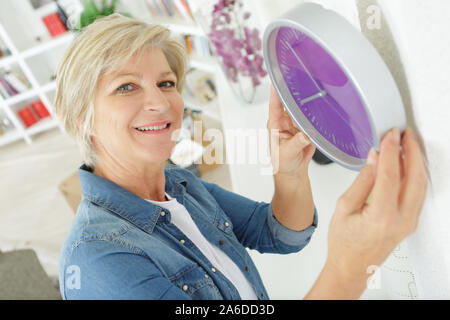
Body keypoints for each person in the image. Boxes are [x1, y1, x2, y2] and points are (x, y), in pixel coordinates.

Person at [54, 14, 428, 300]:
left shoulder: (180, 186)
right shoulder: (100, 260)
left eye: (166, 83)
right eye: (126, 87)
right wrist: (354, 264)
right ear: (80, 117)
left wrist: (289, 174)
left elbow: (280, 234)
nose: (159, 102)